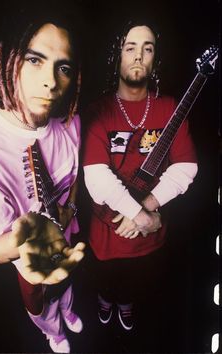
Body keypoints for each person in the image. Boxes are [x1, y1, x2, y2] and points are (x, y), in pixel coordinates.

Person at [83, 20, 198, 331]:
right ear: (117, 55)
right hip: (107, 231)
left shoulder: (170, 108)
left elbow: (187, 166)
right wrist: (138, 214)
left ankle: (126, 303)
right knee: (105, 280)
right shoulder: (97, 110)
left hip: (148, 232)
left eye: (147, 49)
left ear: (154, 59)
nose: (138, 56)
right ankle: (105, 300)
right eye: (130, 48)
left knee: (137, 280)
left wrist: (146, 210)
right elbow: (96, 177)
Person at [0, 9, 85, 353]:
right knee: (42, 306)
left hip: (69, 236)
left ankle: (69, 311)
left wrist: (70, 211)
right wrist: (25, 241)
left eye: (64, 67)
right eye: (34, 60)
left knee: (67, 284)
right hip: (31, 264)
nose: (51, 82)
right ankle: (53, 333)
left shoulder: (70, 123)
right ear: (9, 58)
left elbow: (74, 177)